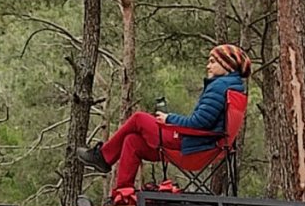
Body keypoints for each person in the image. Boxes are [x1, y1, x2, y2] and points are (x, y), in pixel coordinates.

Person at [77, 43, 250, 191]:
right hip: (203, 146)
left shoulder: (219, 87)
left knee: (138, 118)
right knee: (132, 141)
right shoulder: (232, 88)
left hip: (193, 146)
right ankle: (123, 194)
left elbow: (199, 123)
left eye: (212, 62)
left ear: (227, 65)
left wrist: (169, 119)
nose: (208, 66)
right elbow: (205, 123)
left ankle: (103, 157)